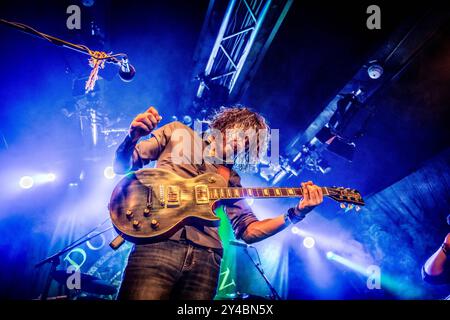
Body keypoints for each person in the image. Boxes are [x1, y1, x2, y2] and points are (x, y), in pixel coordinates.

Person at [113, 106, 324, 300]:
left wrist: (296, 213)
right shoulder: (179, 133)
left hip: (207, 260)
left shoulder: (230, 178)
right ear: (225, 124)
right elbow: (122, 165)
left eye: (249, 142)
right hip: (158, 242)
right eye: (241, 134)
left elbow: (248, 230)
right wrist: (132, 138)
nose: (242, 143)